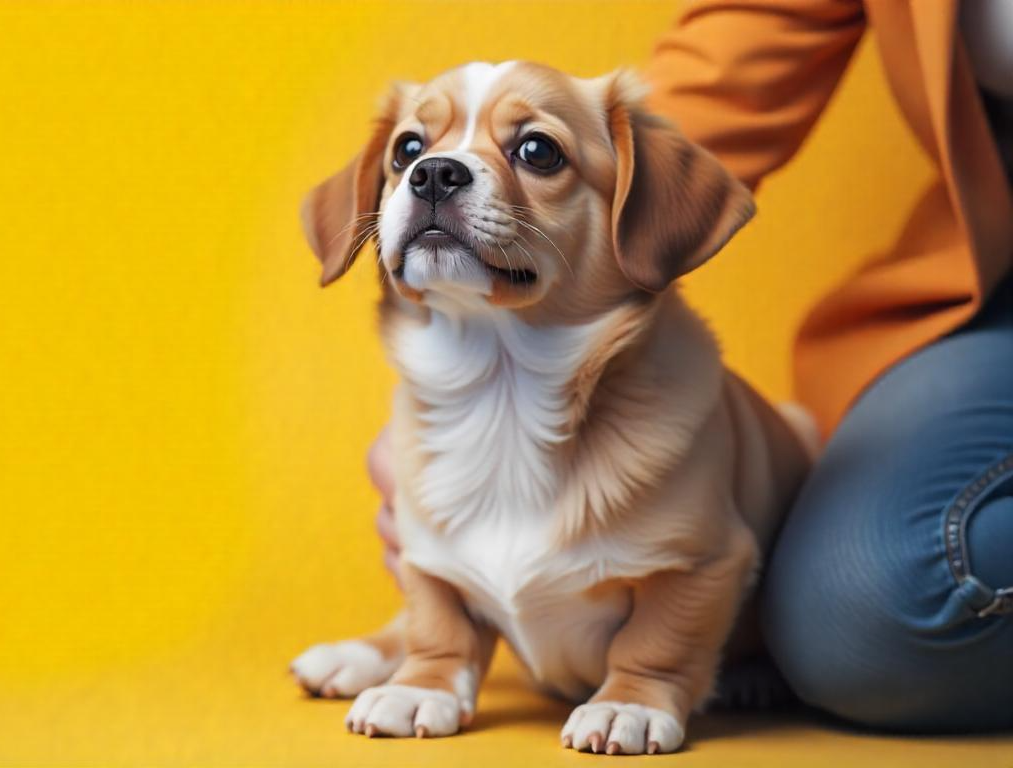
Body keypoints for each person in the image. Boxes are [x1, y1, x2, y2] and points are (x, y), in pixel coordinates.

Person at [367, 0, 1013, 732]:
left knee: (887, 604)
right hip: (994, 285)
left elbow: (704, 560)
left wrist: (649, 675)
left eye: (536, 151)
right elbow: (738, 54)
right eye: (412, 151)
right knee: (872, 597)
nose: (435, 172)